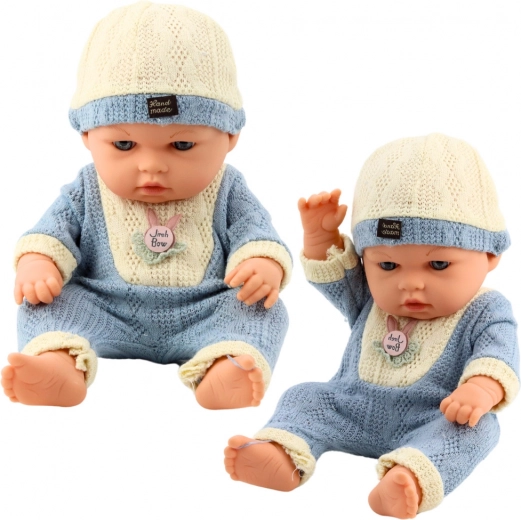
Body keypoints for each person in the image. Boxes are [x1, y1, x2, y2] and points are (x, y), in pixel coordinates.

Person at [1, 2, 291, 410]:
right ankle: (57, 364)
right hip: (103, 306)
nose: (151, 165)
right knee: (47, 304)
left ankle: (227, 368)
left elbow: (256, 232)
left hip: (206, 310)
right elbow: (52, 232)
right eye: (124, 144)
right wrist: (38, 263)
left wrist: (263, 264)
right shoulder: (87, 187)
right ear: (87, 135)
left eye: (182, 144)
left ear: (230, 136)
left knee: (262, 311)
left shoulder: (228, 188)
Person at [224, 133, 519, 517]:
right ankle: (281, 455)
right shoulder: (369, 297)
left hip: (432, 417)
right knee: (305, 397)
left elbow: (499, 355)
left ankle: (411, 477)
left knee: (478, 429)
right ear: (367, 260)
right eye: (388, 265)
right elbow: (334, 276)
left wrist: (481, 388)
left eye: (438, 264)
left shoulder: (485, 309)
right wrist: (320, 237)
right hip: (349, 407)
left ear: (490, 254)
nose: (410, 284)